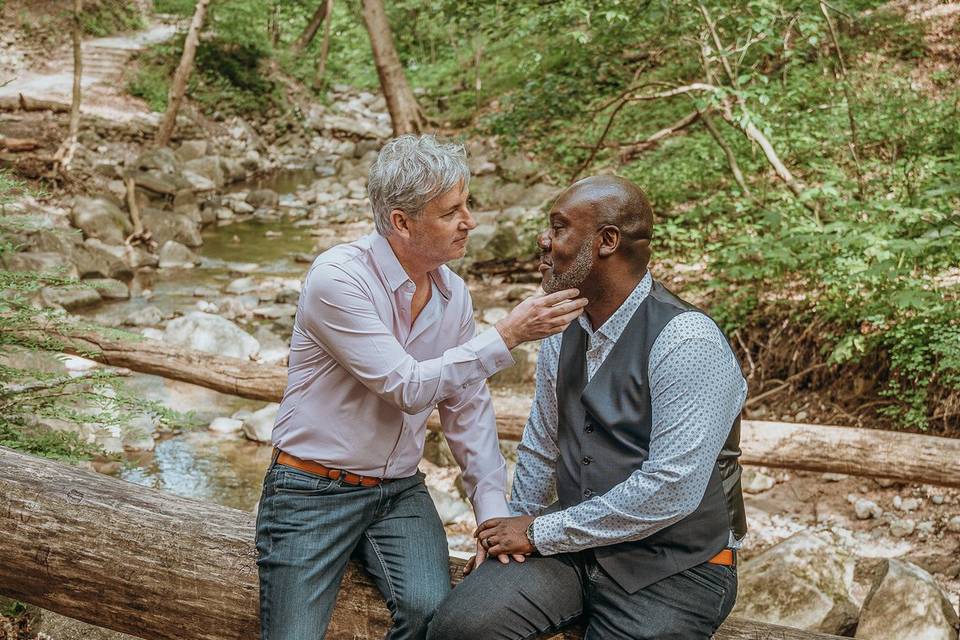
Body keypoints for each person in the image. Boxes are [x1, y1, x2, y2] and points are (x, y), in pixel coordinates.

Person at [254, 134, 587, 640]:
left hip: (398, 493)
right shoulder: (338, 279)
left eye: (467, 205)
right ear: (401, 222)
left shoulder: (453, 294)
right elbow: (405, 386)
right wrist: (509, 334)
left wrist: (492, 517)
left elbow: (467, 407)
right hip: (311, 488)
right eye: (452, 211)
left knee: (433, 614)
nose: (469, 221)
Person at [427, 175, 748, 640]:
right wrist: (510, 534)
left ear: (607, 242)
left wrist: (537, 532)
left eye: (558, 228)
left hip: (676, 566)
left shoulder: (687, 341)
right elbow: (541, 444)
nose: (543, 240)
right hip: (575, 547)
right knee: (459, 629)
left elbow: (671, 489)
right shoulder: (564, 325)